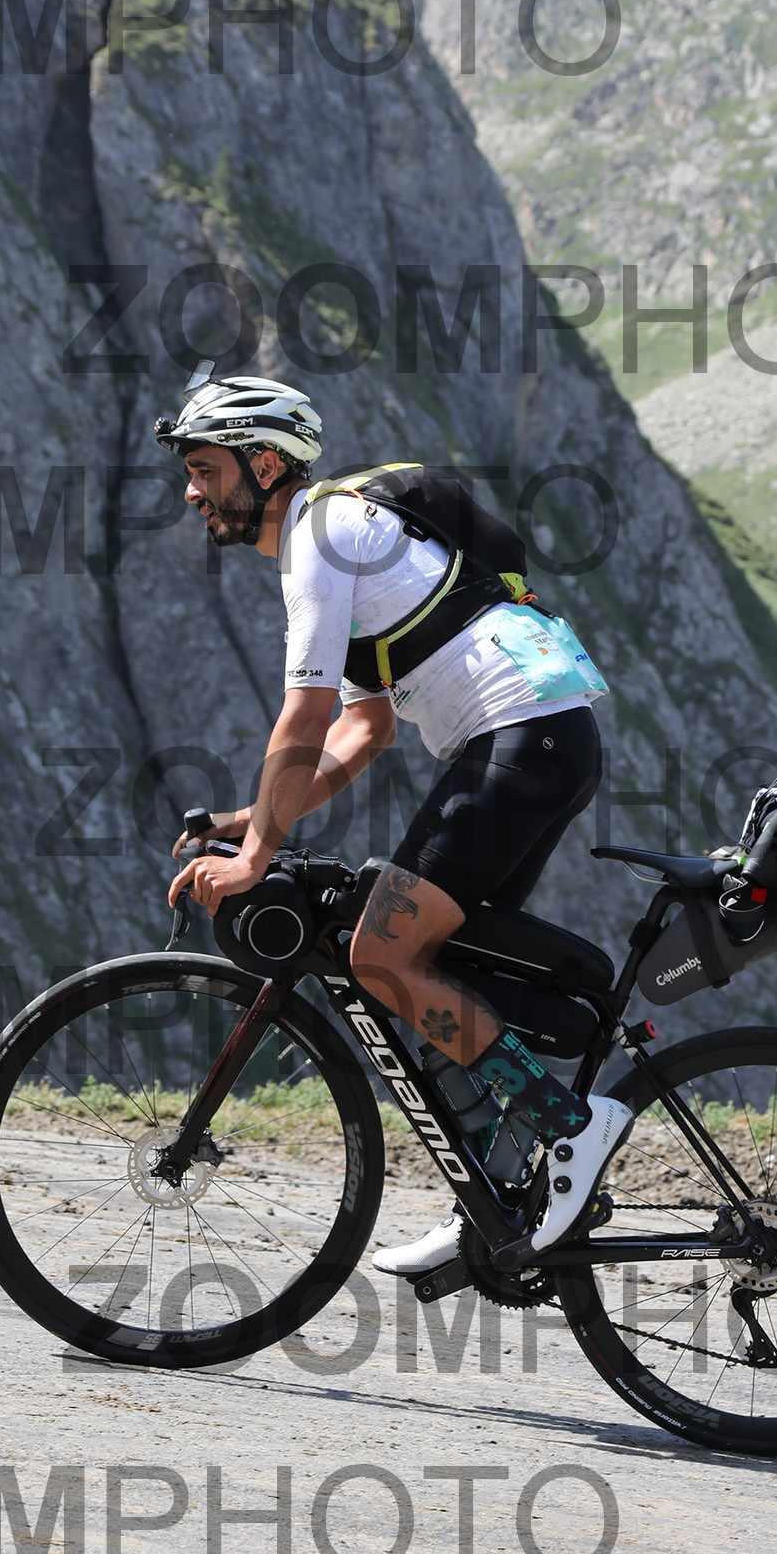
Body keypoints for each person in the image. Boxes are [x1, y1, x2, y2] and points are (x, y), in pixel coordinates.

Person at [160, 371, 632, 1272]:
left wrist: (255, 855)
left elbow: (303, 717)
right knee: (438, 971)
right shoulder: (346, 540)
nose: (191, 491)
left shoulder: (320, 534)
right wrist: (254, 815)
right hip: (543, 741)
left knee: (380, 954)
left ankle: (569, 1127)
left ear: (265, 465)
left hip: (518, 740)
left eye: (204, 469)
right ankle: (499, 1199)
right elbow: (362, 731)